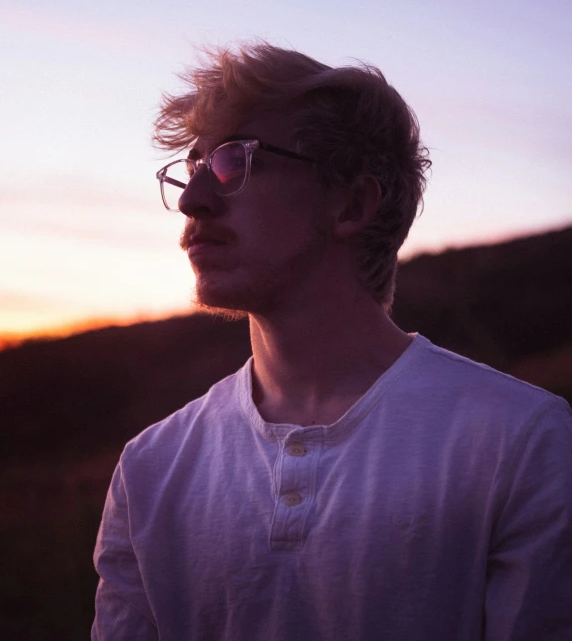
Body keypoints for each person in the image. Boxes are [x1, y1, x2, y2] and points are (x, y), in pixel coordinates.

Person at [92, 42, 572, 640]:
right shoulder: (150, 470)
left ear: (351, 204)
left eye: (233, 162)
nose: (193, 200)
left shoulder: (520, 442)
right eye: (191, 170)